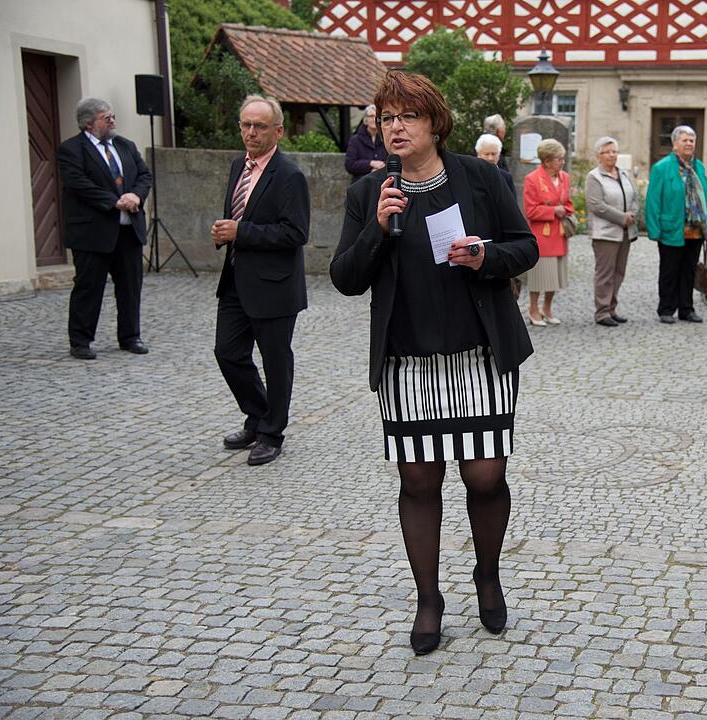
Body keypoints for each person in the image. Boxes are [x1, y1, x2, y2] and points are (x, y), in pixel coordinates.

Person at [330, 71, 538, 656]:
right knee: (419, 480)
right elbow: (345, 278)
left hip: (478, 355)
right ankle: (428, 600)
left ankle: (487, 575)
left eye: (407, 116)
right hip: (407, 360)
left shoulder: (481, 178)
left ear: (435, 123)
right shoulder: (369, 194)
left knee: (485, 476)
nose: (394, 127)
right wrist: (377, 230)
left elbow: (525, 246)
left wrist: (484, 256)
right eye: (386, 118)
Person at [211, 95, 310, 467]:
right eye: (245, 125)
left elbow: (295, 233)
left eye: (259, 126)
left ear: (278, 132)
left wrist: (242, 231)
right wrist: (224, 233)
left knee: (276, 361)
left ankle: (271, 433)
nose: (250, 132)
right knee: (228, 353)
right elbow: (238, 214)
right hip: (236, 280)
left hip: (275, 285)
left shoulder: (289, 176)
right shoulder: (238, 165)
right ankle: (258, 414)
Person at [58, 98, 153, 360]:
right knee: (89, 287)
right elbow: (78, 183)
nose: (112, 120)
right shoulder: (71, 150)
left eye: (112, 116)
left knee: (130, 286)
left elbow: (144, 175)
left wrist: (136, 195)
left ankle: (130, 336)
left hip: (128, 230)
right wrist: (114, 201)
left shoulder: (125, 145)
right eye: (105, 117)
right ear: (88, 123)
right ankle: (80, 341)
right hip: (92, 233)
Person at [645, 125, 707, 324]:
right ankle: (666, 309)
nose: (689, 143)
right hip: (672, 227)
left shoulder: (699, 167)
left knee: (689, 271)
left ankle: (686, 309)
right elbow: (653, 200)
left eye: (692, 140)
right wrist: (654, 229)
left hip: (695, 229)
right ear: (675, 144)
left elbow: (704, 198)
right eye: (685, 140)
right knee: (669, 271)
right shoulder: (661, 168)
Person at [584, 136, 638, 327]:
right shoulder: (594, 177)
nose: (611, 155)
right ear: (598, 156)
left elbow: (634, 196)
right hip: (605, 233)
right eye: (607, 152)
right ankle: (602, 312)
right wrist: (622, 218)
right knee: (605, 274)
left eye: (614, 151)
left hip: (625, 232)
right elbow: (596, 205)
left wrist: (632, 214)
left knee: (619, 272)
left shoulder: (623, 173)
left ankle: (612, 308)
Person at [522, 139, 573, 326]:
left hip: (559, 233)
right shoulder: (532, 179)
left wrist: (565, 210)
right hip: (542, 235)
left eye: (563, 158)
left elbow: (568, 203)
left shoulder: (565, 177)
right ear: (547, 161)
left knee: (556, 276)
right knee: (540, 276)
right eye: (559, 159)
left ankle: (547, 308)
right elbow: (530, 211)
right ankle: (533, 309)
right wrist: (553, 211)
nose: (562, 162)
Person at [345, 105, 387, 182]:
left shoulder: (386, 139)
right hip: (360, 183)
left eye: (376, 116)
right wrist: (371, 163)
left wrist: (380, 169)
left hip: (383, 182)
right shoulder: (355, 140)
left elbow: (392, 161)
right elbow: (350, 164)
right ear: (365, 120)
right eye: (371, 116)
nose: (374, 119)